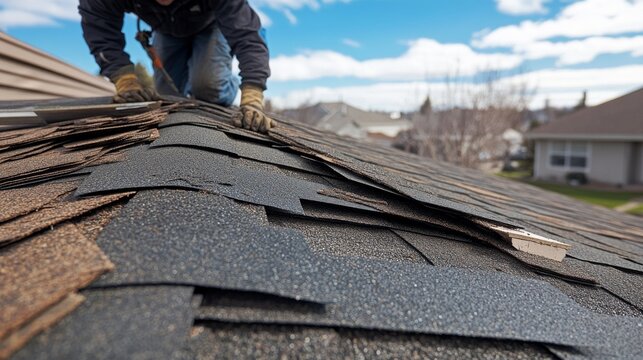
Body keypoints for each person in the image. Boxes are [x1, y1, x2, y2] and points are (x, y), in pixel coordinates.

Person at [78, 0, 272, 132]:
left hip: (214, 24)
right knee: (168, 94)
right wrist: (125, 80)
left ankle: (221, 85)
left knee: (208, 87)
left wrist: (252, 96)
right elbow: (100, 32)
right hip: (166, 30)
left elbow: (248, 37)